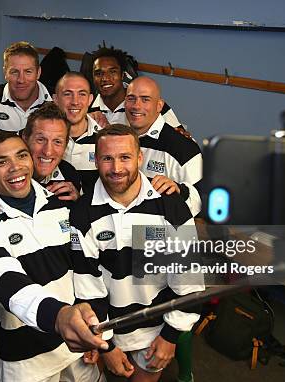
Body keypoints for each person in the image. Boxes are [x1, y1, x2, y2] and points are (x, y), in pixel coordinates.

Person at [0, 131, 106, 381]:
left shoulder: (63, 204)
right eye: (1, 162)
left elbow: (88, 270)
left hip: (79, 348)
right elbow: (8, 283)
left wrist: (99, 329)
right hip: (26, 361)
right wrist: (59, 317)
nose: (15, 167)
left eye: (21, 156)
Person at [70, 124, 205, 381]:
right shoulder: (82, 213)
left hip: (156, 330)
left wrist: (171, 336)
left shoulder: (171, 207)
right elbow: (88, 287)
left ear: (140, 157)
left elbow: (188, 280)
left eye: (125, 157)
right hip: (105, 328)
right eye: (107, 158)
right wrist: (106, 344)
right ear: (96, 160)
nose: (117, 168)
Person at [0, 103, 81, 225]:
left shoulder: (69, 175)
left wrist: (79, 204)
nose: (47, 151)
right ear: (25, 138)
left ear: (65, 146)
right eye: (40, 139)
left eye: (57, 142)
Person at [125, 76, 202, 217]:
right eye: (131, 98)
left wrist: (179, 190)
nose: (136, 105)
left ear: (159, 106)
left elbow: (202, 201)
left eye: (145, 99)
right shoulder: (120, 138)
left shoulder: (184, 148)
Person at [88, 46, 184, 130]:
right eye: (99, 73)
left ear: (122, 75)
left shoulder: (150, 104)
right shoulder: (86, 107)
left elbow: (181, 136)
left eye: (112, 72)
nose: (105, 78)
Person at [0, 41, 52, 132]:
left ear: (38, 73)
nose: (21, 80)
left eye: (28, 72)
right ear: (5, 73)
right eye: (14, 72)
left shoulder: (57, 100)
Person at [53, 72, 101, 195]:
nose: (75, 101)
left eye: (82, 94)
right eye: (68, 94)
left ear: (90, 99)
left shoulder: (106, 140)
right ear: (55, 99)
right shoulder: (41, 139)